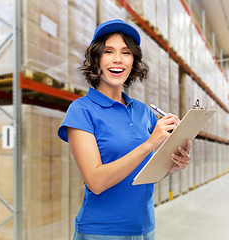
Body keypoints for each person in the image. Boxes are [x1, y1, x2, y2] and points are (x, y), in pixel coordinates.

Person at [57, 19, 191, 240]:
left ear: (133, 62)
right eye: (109, 51)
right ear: (96, 59)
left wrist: (173, 165)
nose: (117, 59)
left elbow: (144, 173)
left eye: (126, 52)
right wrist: (149, 143)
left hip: (145, 229)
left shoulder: (143, 112)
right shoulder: (81, 110)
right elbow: (96, 181)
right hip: (101, 232)